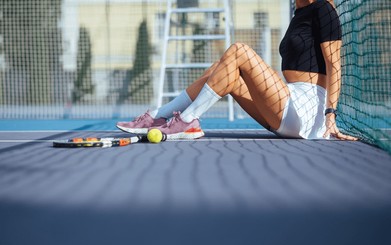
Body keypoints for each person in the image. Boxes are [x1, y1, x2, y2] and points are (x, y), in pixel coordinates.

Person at [117, 0, 358, 141]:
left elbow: (334, 65)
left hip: (308, 111)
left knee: (239, 50)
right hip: (287, 109)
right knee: (222, 71)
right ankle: (160, 115)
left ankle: (188, 121)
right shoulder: (299, 13)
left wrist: (330, 114)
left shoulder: (324, 9)